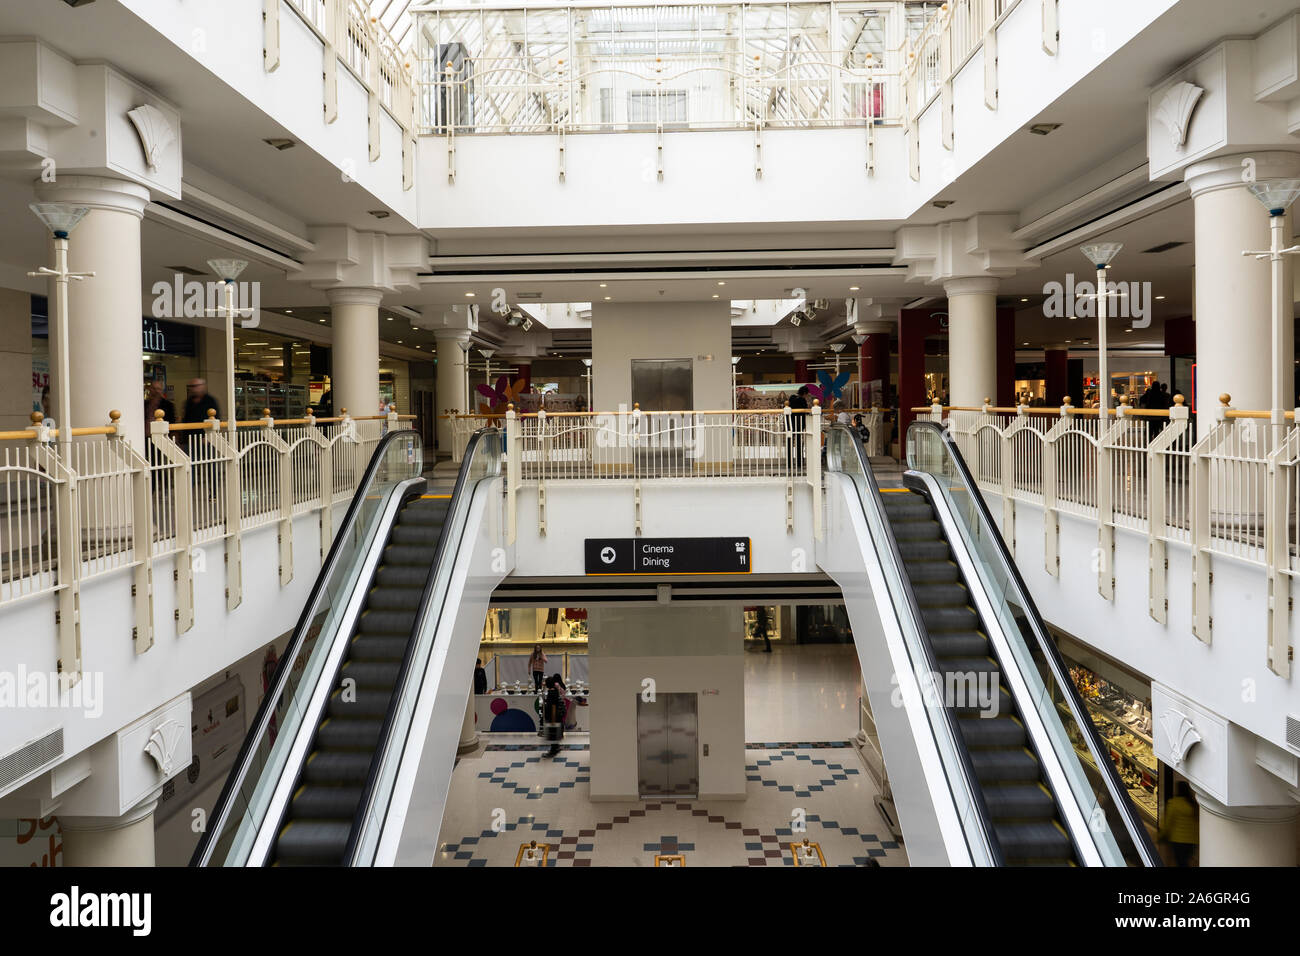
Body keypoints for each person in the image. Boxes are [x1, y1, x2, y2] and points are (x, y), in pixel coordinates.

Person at [1157, 781, 1199, 867]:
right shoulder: (1193, 804)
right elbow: (1197, 822)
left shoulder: (1174, 803)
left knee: (1180, 861)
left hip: (1178, 840)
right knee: (1186, 860)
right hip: (1192, 840)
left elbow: (1167, 822)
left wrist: (1162, 834)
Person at [542, 675, 565, 758]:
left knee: (552, 734)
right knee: (555, 733)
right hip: (557, 716)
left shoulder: (551, 693)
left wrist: (552, 719)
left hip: (553, 717)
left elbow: (553, 707)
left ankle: (553, 751)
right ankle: (556, 747)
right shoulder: (555, 690)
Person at [787, 385, 810, 468]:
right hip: (799, 424)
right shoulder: (802, 400)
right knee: (799, 444)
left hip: (790, 424)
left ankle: (789, 463)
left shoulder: (791, 398)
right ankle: (799, 463)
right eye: (807, 394)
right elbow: (806, 411)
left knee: (789, 443)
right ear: (804, 393)